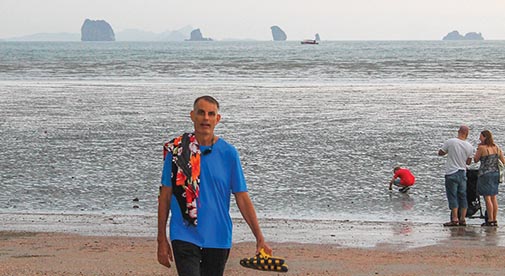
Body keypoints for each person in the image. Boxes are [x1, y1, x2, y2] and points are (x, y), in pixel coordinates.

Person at [157, 95, 272, 276]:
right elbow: (165, 196)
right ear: (192, 115)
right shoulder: (178, 152)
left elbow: (242, 197)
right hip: (184, 233)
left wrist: (259, 236)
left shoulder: (229, 153)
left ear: (217, 119)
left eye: (211, 114)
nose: (206, 118)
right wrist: (161, 239)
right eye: (201, 113)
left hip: (218, 236)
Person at [438, 125, 473, 227]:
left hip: (451, 172)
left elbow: (441, 153)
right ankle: (462, 218)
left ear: (459, 131)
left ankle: (454, 219)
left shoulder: (451, 142)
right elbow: (469, 162)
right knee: (463, 195)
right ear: (467, 134)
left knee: (452, 195)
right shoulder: (469, 146)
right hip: (462, 172)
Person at [473, 130, 505, 227]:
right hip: (495, 173)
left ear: (485, 137)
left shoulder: (482, 148)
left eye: (481, 136)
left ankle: (490, 220)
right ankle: (494, 219)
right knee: (493, 197)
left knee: (487, 198)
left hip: (485, 174)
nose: (479, 138)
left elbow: (475, 160)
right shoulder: (496, 148)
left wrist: (478, 149)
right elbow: (503, 161)